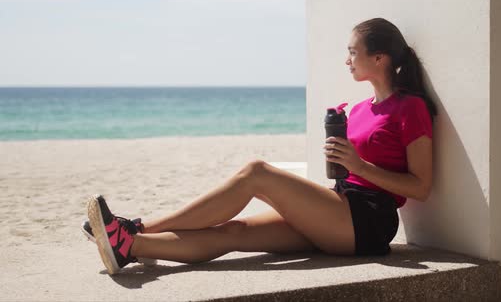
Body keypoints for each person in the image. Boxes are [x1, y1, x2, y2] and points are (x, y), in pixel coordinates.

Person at [83, 17, 437, 275]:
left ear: (380, 58)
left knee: (256, 173)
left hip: (369, 219)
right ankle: (129, 247)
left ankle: (137, 227)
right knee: (234, 232)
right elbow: (352, 168)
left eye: (352, 53)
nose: (347, 60)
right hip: (339, 205)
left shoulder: (411, 108)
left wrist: (359, 166)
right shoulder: (358, 109)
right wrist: (344, 159)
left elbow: (420, 186)